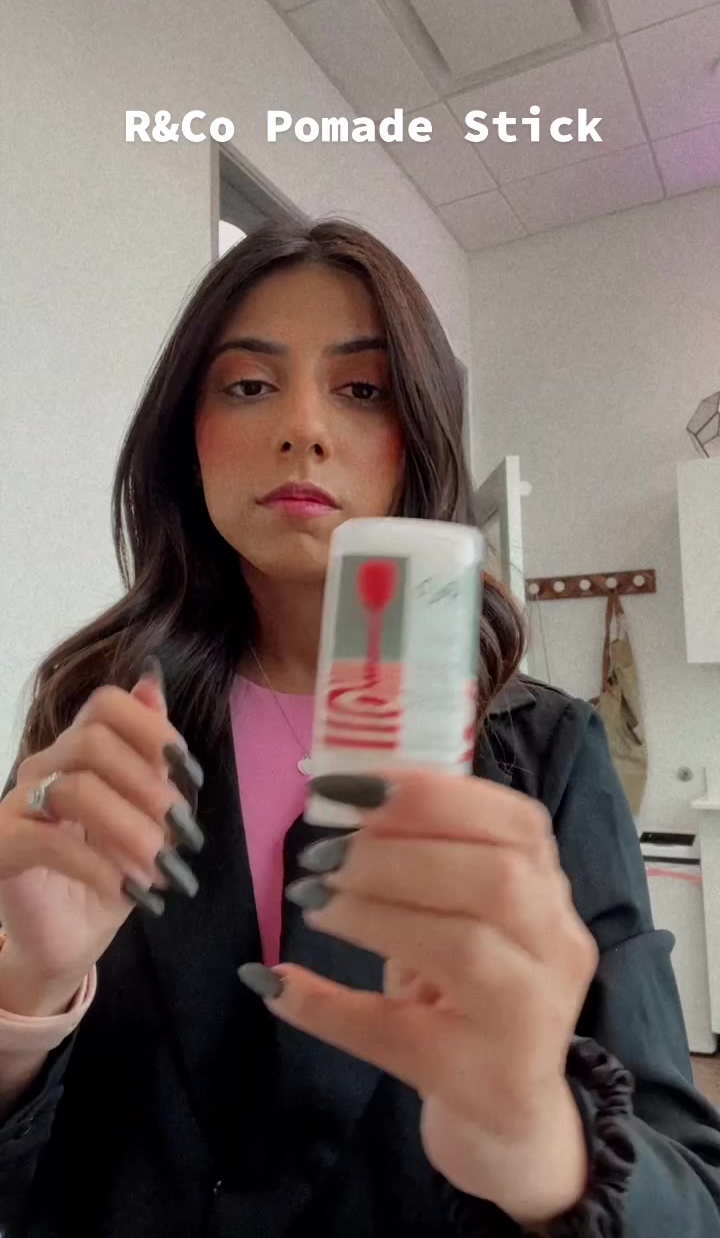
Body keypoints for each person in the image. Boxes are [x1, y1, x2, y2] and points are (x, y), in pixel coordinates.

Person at [0, 219, 718, 1238]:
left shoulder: (546, 753)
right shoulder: (94, 721)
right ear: (185, 435)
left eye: (363, 389)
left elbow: (691, 1194)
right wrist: (24, 996)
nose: (303, 428)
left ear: (417, 431)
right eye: (249, 385)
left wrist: (541, 1146)